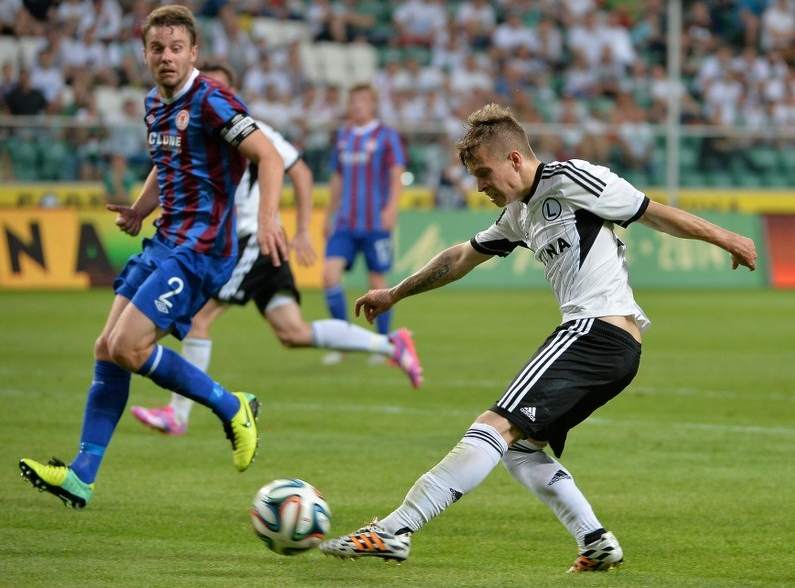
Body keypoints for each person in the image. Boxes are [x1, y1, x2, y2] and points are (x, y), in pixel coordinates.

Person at [319, 104, 758, 571]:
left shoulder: (573, 179)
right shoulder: (517, 214)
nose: (481, 185)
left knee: (493, 426)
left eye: (484, 173)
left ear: (513, 159)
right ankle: (594, 541)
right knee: (521, 449)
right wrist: (395, 292)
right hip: (611, 347)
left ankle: (394, 530)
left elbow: (651, 212)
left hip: (595, 331)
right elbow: (461, 257)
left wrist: (727, 237)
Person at [18, 5, 289, 509]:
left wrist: (270, 217)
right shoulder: (154, 103)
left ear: (194, 53)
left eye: (176, 48)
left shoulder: (211, 99)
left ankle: (233, 406)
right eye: (157, 48)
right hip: (167, 240)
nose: (167, 57)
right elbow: (166, 161)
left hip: (202, 249)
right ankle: (80, 476)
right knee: (106, 347)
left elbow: (268, 156)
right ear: (144, 53)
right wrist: (142, 210)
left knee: (128, 346)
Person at [129, 62, 422, 436]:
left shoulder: (252, 130)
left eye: (218, 84)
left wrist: (301, 230)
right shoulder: (195, 131)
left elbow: (298, 171)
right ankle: (390, 345)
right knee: (293, 333)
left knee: (199, 318)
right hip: (244, 244)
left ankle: (178, 415)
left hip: (251, 241)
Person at [321, 82, 406, 365]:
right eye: (353, 100)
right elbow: (336, 178)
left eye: (362, 100)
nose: (356, 104)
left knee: (377, 283)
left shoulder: (386, 136)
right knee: (329, 274)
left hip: (374, 222)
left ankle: (385, 344)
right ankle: (342, 342)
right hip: (345, 221)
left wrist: (392, 208)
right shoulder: (344, 136)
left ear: (372, 104)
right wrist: (327, 215)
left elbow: (396, 174)